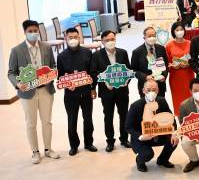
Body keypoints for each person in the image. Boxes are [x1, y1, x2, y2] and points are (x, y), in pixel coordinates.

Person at [7, 20, 60, 164]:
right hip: (27, 93)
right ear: (25, 32)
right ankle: (35, 151)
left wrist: (52, 76)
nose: (33, 33)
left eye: (35, 30)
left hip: (46, 90)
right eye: (30, 31)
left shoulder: (46, 47)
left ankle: (48, 149)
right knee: (31, 123)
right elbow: (11, 72)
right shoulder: (16, 50)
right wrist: (18, 84)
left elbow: (53, 66)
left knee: (47, 121)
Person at [57, 27, 96, 156]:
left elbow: (92, 73)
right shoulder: (61, 56)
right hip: (70, 95)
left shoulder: (87, 53)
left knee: (88, 119)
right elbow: (60, 77)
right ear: (66, 39)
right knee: (72, 120)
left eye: (75, 37)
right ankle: (74, 145)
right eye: (70, 38)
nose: (73, 40)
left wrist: (93, 88)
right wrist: (67, 85)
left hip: (86, 93)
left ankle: (89, 143)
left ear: (79, 38)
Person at [90, 30, 131, 152]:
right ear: (102, 41)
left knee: (124, 115)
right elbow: (93, 73)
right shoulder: (96, 56)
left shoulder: (123, 53)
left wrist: (126, 81)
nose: (110, 42)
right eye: (107, 40)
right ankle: (110, 141)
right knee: (108, 116)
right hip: (106, 91)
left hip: (122, 90)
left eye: (113, 39)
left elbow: (128, 70)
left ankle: (124, 139)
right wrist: (102, 83)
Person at [126, 80, 178, 172]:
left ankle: (162, 160)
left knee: (174, 140)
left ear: (158, 90)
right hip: (142, 137)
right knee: (147, 154)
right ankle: (140, 161)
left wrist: (174, 133)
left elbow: (171, 118)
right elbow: (128, 127)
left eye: (154, 90)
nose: (151, 92)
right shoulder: (135, 106)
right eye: (148, 90)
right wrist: (141, 137)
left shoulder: (162, 101)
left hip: (159, 134)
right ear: (143, 90)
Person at [131, 26, 169, 98]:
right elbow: (134, 70)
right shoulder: (137, 52)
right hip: (146, 86)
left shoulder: (161, 48)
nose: (152, 38)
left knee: (160, 106)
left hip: (160, 85)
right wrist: (146, 77)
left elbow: (166, 65)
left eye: (154, 36)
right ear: (144, 38)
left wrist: (164, 76)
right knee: (147, 107)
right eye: (149, 36)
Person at [165, 22, 194, 115]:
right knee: (178, 101)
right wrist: (173, 66)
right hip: (175, 78)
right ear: (173, 32)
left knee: (190, 100)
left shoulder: (190, 43)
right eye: (177, 30)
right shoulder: (169, 45)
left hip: (188, 76)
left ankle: (192, 119)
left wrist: (189, 64)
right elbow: (167, 63)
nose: (179, 32)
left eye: (181, 29)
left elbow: (194, 60)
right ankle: (180, 120)